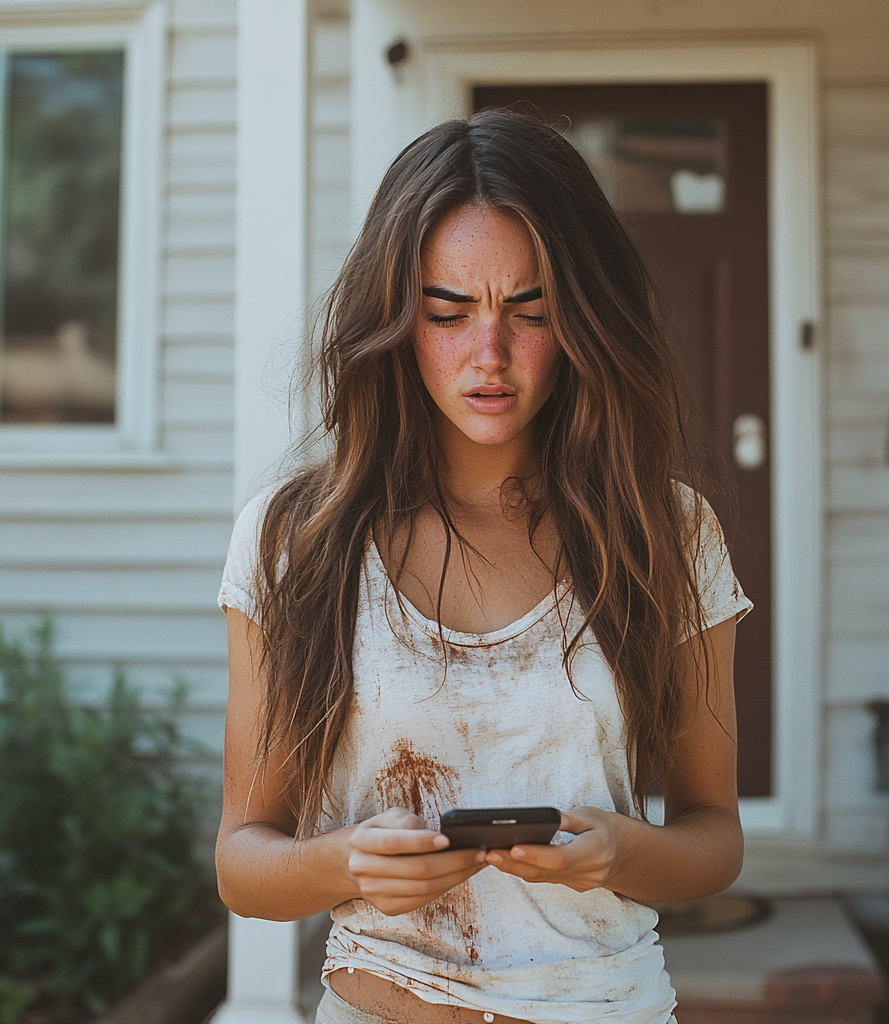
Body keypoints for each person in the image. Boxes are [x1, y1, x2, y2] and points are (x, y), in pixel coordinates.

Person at [215, 109, 752, 1024]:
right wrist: (345, 860)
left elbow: (716, 838)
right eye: (448, 312)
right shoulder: (295, 539)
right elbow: (242, 861)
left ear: (581, 316)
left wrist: (619, 852)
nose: (489, 355)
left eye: (530, 309)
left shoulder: (663, 530)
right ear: (396, 318)